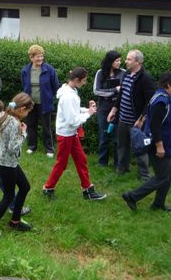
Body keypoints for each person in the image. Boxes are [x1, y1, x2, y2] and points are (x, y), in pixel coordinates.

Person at [43, 68, 106, 201]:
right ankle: (48, 188)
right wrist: (88, 114)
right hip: (66, 134)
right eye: (84, 80)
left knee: (81, 159)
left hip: (70, 133)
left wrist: (87, 110)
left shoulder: (71, 90)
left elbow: (74, 110)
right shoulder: (68, 96)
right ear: (77, 80)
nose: (85, 83)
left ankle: (88, 190)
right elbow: (72, 121)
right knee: (62, 163)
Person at [122, 72, 171, 212]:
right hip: (161, 145)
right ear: (168, 85)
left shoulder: (166, 98)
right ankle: (132, 196)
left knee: (167, 176)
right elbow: (155, 125)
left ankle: (158, 204)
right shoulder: (160, 101)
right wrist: (159, 146)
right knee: (161, 177)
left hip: (168, 144)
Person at [0, 93, 33, 234]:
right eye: (28, 111)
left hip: (2, 161)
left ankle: (15, 221)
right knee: (9, 196)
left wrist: (2, 143)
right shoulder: (15, 124)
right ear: (22, 109)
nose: (27, 114)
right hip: (6, 165)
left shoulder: (2, 115)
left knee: (24, 187)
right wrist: (23, 133)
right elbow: (13, 148)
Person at [107, 49, 155, 179]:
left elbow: (150, 101)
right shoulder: (126, 74)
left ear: (138, 62)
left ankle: (144, 176)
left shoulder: (146, 78)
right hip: (123, 118)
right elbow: (121, 94)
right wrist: (113, 110)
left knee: (140, 147)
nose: (125, 61)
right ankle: (122, 170)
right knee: (122, 145)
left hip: (136, 121)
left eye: (129, 59)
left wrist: (141, 119)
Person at [20, 44, 60, 157]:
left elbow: (55, 86)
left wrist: (49, 97)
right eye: (37, 56)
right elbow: (24, 85)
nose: (40, 59)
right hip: (30, 104)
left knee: (46, 127)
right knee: (31, 125)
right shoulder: (25, 70)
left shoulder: (49, 69)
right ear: (31, 57)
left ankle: (49, 149)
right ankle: (31, 147)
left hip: (45, 103)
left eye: (42, 56)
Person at [93, 50, 125, 167]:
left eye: (120, 60)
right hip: (103, 109)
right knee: (104, 137)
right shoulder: (100, 73)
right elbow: (97, 91)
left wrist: (110, 93)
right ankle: (102, 163)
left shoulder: (123, 73)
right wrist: (114, 90)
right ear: (110, 61)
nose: (119, 63)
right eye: (116, 61)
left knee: (118, 138)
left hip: (118, 109)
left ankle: (118, 164)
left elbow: (124, 90)